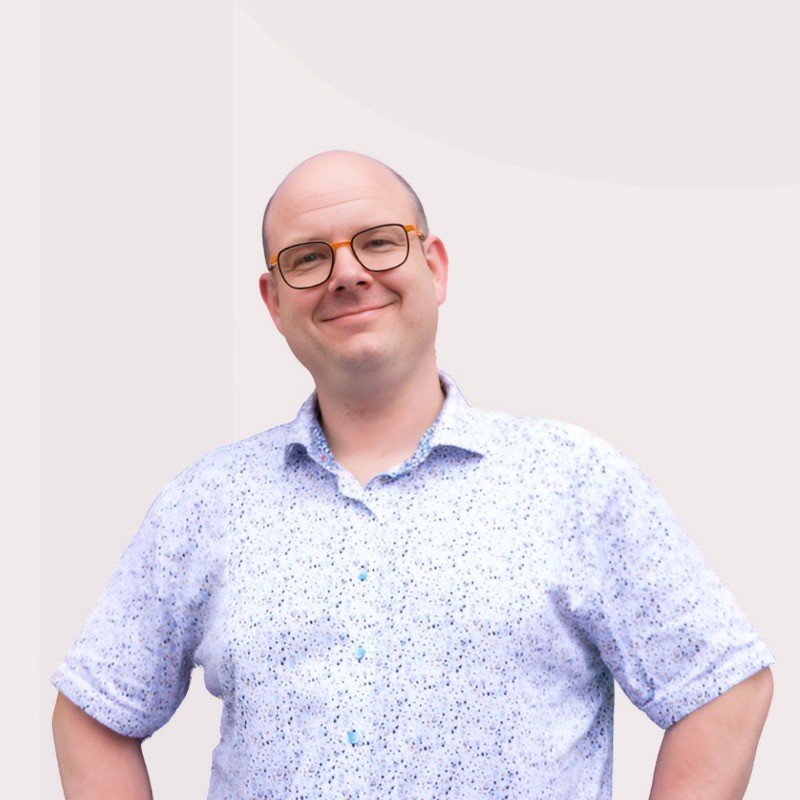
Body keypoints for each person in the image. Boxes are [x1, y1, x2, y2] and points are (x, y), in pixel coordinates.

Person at [51, 150, 775, 800]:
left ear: (435, 267)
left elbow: (722, 687)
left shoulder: (574, 483)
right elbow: (93, 713)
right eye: (307, 258)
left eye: (378, 242)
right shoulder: (205, 505)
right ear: (274, 303)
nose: (348, 273)